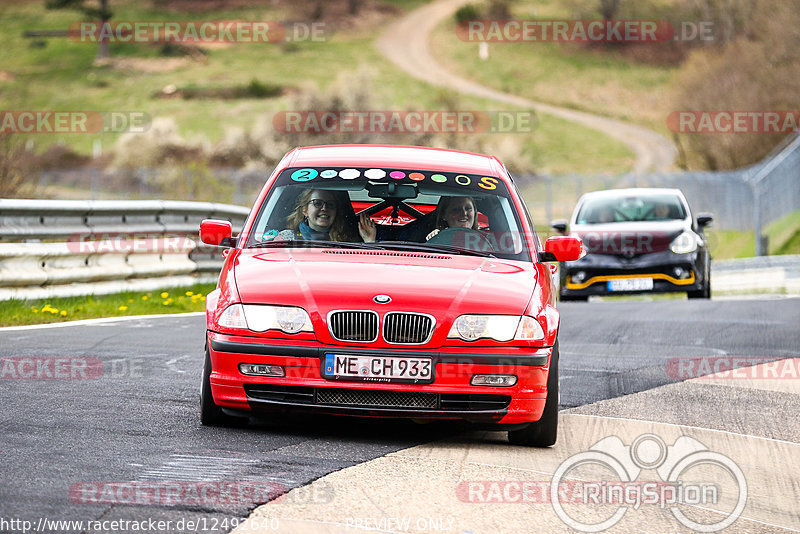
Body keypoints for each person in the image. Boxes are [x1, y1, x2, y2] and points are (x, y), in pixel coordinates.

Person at [286, 189, 360, 242]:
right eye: (318, 203)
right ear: (304, 210)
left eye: (330, 204)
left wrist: (370, 241)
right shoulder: (287, 238)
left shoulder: (348, 242)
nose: (324, 208)